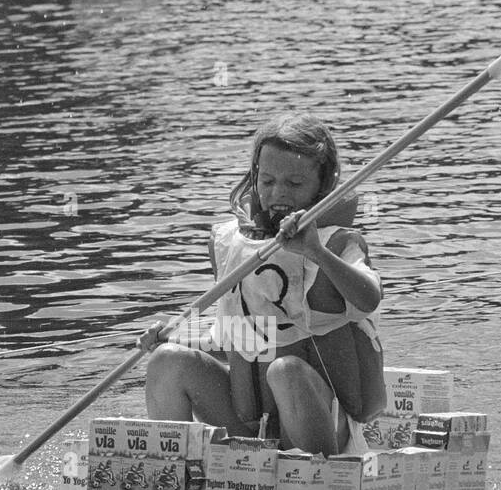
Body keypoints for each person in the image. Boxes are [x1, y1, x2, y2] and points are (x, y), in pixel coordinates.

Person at [139, 112, 386, 456]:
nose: (278, 194)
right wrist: (174, 336)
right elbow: (243, 341)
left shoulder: (337, 244)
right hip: (253, 425)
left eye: (295, 184)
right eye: (267, 181)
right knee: (167, 361)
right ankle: (173, 476)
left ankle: (311, 485)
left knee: (285, 371)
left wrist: (315, 252)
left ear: (325, 184)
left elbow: (369, 297)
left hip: (326, 429)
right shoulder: (231, 244)